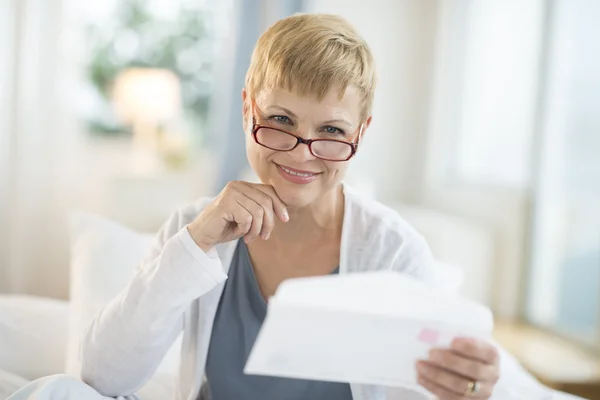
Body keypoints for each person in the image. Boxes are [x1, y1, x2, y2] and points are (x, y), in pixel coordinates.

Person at [11, 12, 576, 400]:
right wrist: (198, 242)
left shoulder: (392, 249)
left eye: (331, 130)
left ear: (362, 132)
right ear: (247, 108)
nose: (303, 153)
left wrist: (470, 388)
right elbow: (103, 375)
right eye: (280, 121)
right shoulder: (193, 227)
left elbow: (423, 386)